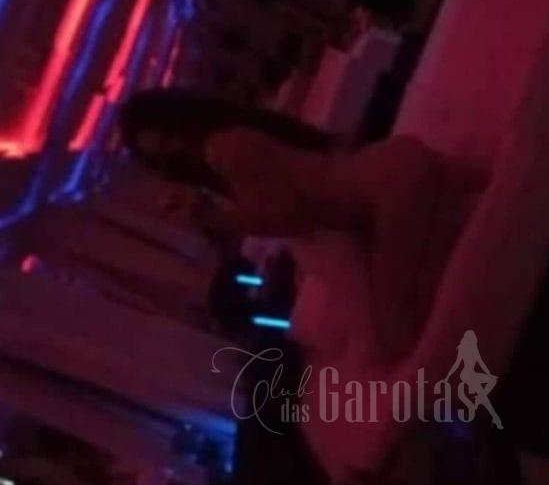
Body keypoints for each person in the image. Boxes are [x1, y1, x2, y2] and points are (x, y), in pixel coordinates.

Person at [120, 88, 488, 361]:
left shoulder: (220, 152)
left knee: (394, 341)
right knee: (472, 187)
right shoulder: (229, 134)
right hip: (390, 165)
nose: (171, 155)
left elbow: (292, 216)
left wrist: (209, 214)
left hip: (388, 190)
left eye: (166, 144)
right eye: (160, 157)